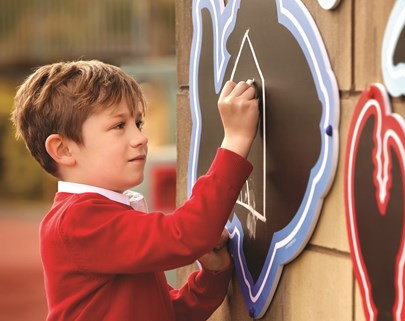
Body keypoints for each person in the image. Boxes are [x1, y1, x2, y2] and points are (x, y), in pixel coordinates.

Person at [11, 60, 259, 321]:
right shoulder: (78, 220)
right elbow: (185, 235)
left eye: (138, 124)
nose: (140, 138)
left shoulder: (105, 213)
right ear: (63, 150)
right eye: (119, 126)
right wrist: (235, 141)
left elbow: (168, 313)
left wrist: (212, 276)